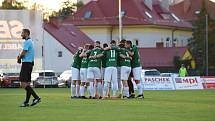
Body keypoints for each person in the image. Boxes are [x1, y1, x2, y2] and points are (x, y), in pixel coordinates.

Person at [18, 29, 41, 107]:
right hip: (29, 63)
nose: (21, 35)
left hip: (26, 64)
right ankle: (26, 102)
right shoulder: (30, 41)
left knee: (23, 83)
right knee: (27, 83)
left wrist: (19, 58)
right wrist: (20, 56)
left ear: (27, 33)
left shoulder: (27, 42)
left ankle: (37, 97)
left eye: (22, 33)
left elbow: (24, 52)